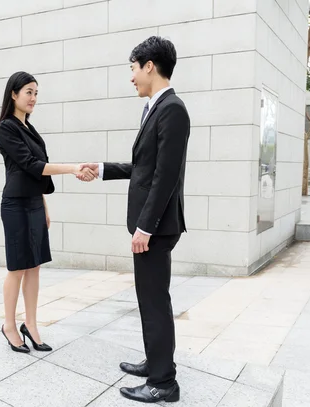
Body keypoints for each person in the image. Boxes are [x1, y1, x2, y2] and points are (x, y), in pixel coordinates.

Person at [79, 36, 190, 403]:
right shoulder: (154, 109)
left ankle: (164, 382)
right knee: (149, 299)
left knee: (155, 300)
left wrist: (145, 226)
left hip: (155, 228)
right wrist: (102, 168)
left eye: (133, 69)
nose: (131, 77)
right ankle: (155, 362)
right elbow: (144, 168)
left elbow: (166, 176)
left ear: (149, 66)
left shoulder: (173, 110)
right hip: (151, 225)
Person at [0, 71, 95, 353]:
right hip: (15, 205)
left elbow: (38, 172)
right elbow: (31, 165)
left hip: (34, 204)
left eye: (36, 93)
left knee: (34, 265)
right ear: (13, 94)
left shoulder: (30, 129)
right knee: (17, 267)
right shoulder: (6, 128)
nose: (33, 98)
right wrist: (74, 167)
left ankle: (32, 324)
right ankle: (9, 325)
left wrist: (45, 205)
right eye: (28, 92)